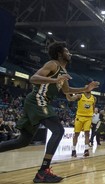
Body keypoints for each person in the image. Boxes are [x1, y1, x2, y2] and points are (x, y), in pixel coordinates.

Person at [0, 42, 99, 183]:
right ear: (60, 54)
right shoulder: (53, 64)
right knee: (58, 130)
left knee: (22, 141)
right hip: (37, 99)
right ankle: (43, 171)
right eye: (67, 51)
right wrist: (54, 79)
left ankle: (42, 171)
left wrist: (86, 88)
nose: (70, 53)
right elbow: (33, 78)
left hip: (41, 102)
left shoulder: (64, 73)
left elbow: (67, 91)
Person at [66, 88, 96, 157]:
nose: (88, 88)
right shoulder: (80, 96)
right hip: (79, 117)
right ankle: (73, 150)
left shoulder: (94, 98)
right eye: (86, 87)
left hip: (88, 118)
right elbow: (70, 99)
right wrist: (67, 93)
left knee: (87, 133)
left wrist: (92, 115)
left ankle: (86, 150)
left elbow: (93, 108)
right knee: (76, 134)